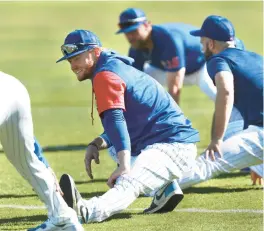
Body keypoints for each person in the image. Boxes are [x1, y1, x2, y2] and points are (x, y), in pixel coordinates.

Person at [56, 29, 200, 223]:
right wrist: (97, 143)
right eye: (70, 60)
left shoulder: (105, 75)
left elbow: (116, 119)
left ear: (95, 52)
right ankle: (165, 189)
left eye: (77, 58)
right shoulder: (112, 67)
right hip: (162, 141)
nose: (72, 66)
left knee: (128, 180)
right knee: (115, 147)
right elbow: (128, 120)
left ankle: (86, 211)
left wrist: (124, 167)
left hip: (173, 145)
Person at [148, 15, 263, 203]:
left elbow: (225, 91)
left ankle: (146, 185)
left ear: (210, 43)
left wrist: (215, 140)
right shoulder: (256, 57)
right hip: (256, 129)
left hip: (260, 133)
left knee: (207, 164)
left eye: (202, 42)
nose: (201, 47)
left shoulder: (217, 60)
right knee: (233, 127)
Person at [0, 71, 83, 231]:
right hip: (13, 88)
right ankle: (63, 218)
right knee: (25, 160)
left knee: (24, 159)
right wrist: (42, 162)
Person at [116, 8, 245, 105]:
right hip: (169, 71)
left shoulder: (167, 38)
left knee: (224, 98)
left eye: (134, 31)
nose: (130, 37)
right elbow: (133, 83)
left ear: (146, 25)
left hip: (202, 67)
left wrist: (173, 123)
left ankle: (251, 125)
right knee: (138, 87)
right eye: (127, 33)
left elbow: (175, 88)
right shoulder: (136, 48)